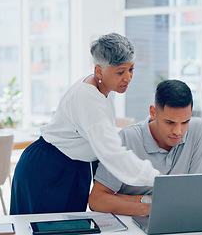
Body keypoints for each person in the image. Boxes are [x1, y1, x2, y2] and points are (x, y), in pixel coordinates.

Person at [10, 33, 161, 215]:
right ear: (99, 71)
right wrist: (157, 179)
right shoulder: (88, 98)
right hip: (48, 169)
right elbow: (111, 152)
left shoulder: (106, 88)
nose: (128, 78)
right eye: (120, 72)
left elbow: (104, 131)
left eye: (131, 69)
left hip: (76, 169)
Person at [88, 79, 202, 216]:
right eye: (170, 122)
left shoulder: (199, 130)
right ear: (153, 112)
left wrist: (129, 199)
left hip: (184, 218)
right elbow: (97, 200)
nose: (178, 131)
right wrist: (151, 207)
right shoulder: (126, 138)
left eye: (185, 122)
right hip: (135, 223)